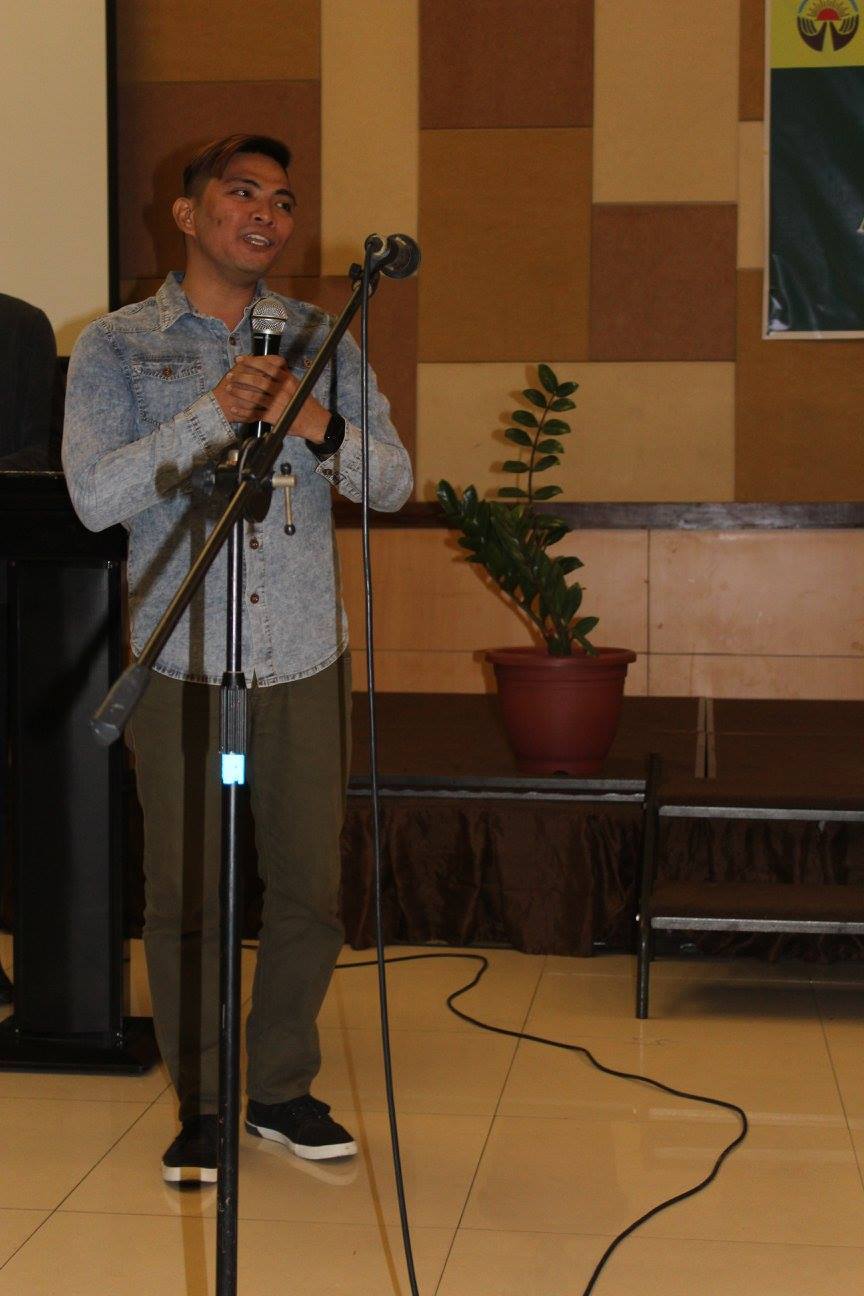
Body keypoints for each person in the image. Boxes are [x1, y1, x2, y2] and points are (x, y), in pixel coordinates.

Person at [62, 134, 412, 1184]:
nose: (267, 212)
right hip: (179, 659)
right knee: (186, 898)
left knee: (309, 887)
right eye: (243, 192)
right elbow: (94, 496)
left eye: (284, 200)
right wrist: (211, 413)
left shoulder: (322, 337)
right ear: (187, 213)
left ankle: (280, 1090)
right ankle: (206, 1101)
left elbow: (393, 483)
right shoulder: (119, 345)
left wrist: (317, 420)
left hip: (300, 657)